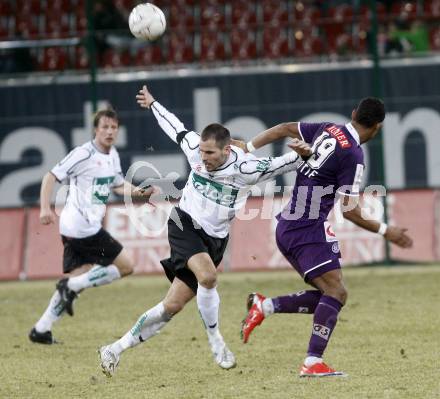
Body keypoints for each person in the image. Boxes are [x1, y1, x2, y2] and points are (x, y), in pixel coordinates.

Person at [98, 85, 312, 376]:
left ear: (227, 150)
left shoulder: (247, 168)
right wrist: (153, 103)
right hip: (184, 223)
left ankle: (114, 349)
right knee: (209, 277)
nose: (203, 158)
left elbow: (282, 164)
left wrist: (302, 154)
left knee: (171, 306)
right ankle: (216, 343)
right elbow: (176, 128)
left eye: (210, 153)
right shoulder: (196, 151)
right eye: (201, 151)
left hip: (215, 239)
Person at [240, 97, 413, 377]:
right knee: (336, 292)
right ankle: (312, 362)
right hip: (305, 228)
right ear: (378, 127)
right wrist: (386, 230)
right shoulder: (354, 155)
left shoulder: (328, 129)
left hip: (289, 225)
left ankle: (266, 306)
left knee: (331, 294)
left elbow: (285, 128)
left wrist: (247, 148)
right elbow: (350, 211)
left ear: (354, 112)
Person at [29, 108, 155, 345]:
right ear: (95, 130)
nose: (109, 131)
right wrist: (45, 208)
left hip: (76, 227)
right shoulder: (83, 153)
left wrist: (139, 191)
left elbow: (117, 184)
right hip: (81, 226)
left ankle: (41, 329)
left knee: (79, 277)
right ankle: (70, 286)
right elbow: (50, 176)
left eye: (113, 127)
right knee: (126, 266)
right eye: (105, 127)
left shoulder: (112, 155)